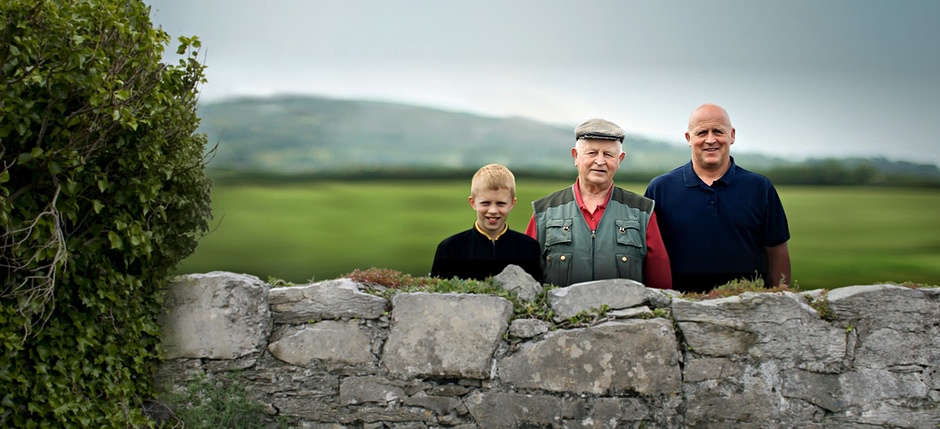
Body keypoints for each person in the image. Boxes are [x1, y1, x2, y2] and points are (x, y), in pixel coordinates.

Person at [644, 103, 791, 293]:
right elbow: (647, 254)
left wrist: (781, 297)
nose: (710, 139)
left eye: (718, 131)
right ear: (689, 138)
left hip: (749, 307)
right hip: (680, 307)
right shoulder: (660, 188)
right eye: (702, 132)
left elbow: (777, 252)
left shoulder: (760, 188)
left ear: (732, 136)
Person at [525, 119, 672, 289]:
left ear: (620, 160)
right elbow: (526, 282)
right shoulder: (544, 212)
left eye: (608, 154)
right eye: (592, 153)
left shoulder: (642, 212)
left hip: (626, 316)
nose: (600, 161)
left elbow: (661, 287)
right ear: (576, 156)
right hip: (560, 315)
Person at [431, 163, 542, 282]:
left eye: (501, 203)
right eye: (485, 203)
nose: (493, 211)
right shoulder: (450, 249)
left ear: (512, 204)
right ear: (473, 203)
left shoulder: (529, 248)